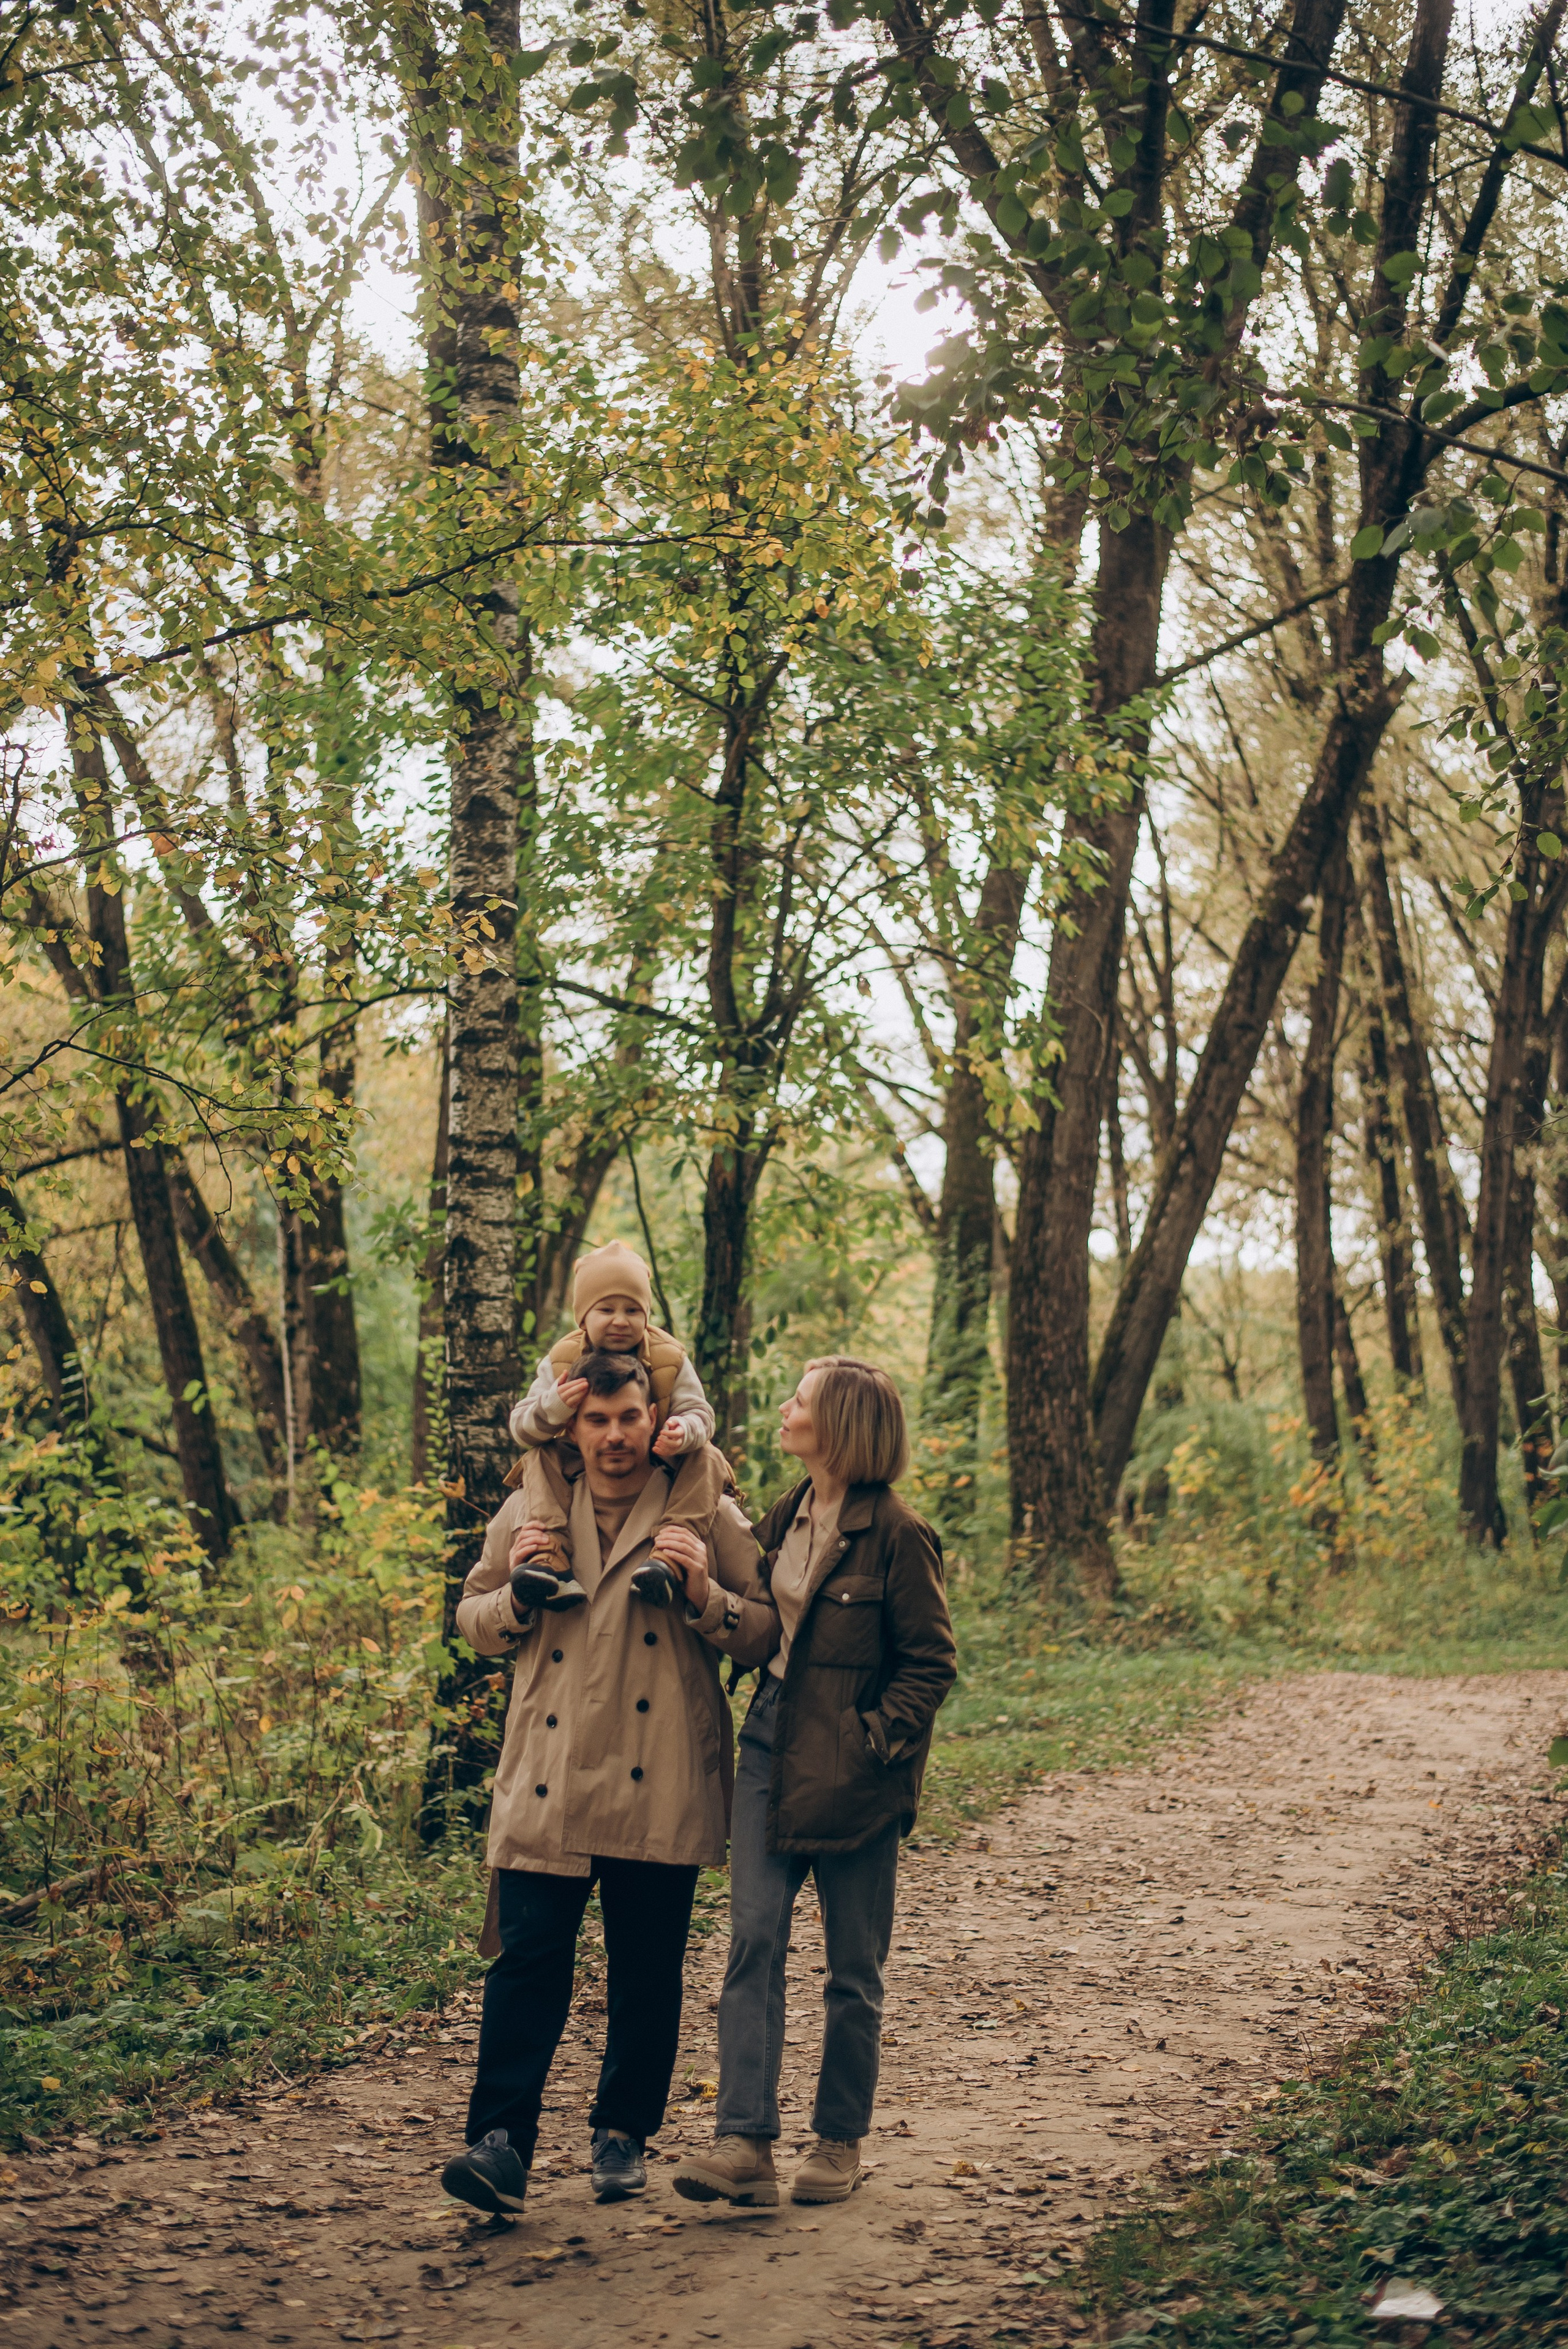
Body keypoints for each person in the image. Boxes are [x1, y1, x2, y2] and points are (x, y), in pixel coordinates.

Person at [439, 1349, 778, 2218]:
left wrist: (705, 1596)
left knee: (646, 1968)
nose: (616, 1435)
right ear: (573, 1425)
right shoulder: (531, 1508)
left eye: (631, 1418)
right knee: (528, 1964)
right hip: (546, 1776)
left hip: (659, 1768)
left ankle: (621, 2131)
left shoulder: (706, 1509)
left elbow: (769, 1625)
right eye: (598, 1420)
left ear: (656, 1419)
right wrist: (515, 1596)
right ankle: (500, 2142)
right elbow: (471, 1617)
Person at [673, 1356, 956, 2211]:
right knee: (752, 1941)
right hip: (770, 1738)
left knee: (852, 1967)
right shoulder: (787, 1513)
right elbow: (764, 1632)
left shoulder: (901, 1534)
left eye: (802, 1398)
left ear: (838, 1427)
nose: (787, 1407)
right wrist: (704, 1597)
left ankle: (839, 2139)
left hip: (857, 1765)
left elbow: (931, 1661)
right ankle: (745, 2140)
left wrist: (876, 1741)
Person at [507, 1240, 729, 1610]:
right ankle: (549, 1555)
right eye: (606, 1309)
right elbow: (521, 1428)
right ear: (583, 1318)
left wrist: (682, 1431)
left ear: (647, 1316)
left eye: (632, 1310)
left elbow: (702, 1413)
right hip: (584, 1462)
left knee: (708, 1458)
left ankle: (671, 1554)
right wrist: (556, 1406)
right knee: (539, 1456)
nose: (620, 1320)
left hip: (657, 1459)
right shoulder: (562, 1360)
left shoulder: (667, 1356)